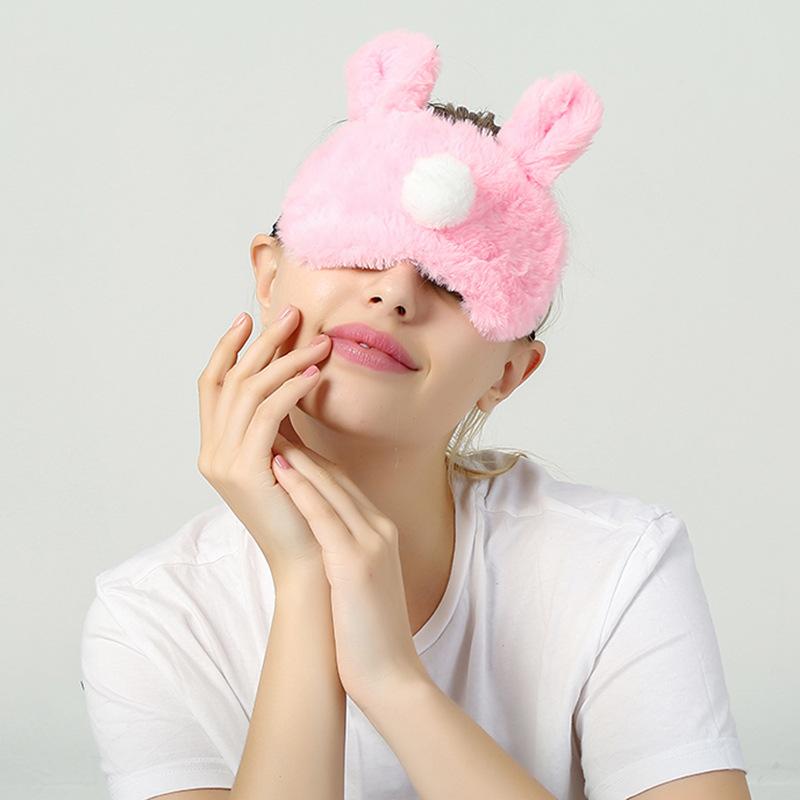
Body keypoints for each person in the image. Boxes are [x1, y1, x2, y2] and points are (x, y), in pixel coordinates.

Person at [81, 31, 750, 800]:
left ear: (508, 373)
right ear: (268, 275)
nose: (395, 292)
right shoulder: (150, 617)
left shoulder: (618, 562)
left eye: (454, 284)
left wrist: (393, 681)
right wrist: (306, 582)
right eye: (362, 250)